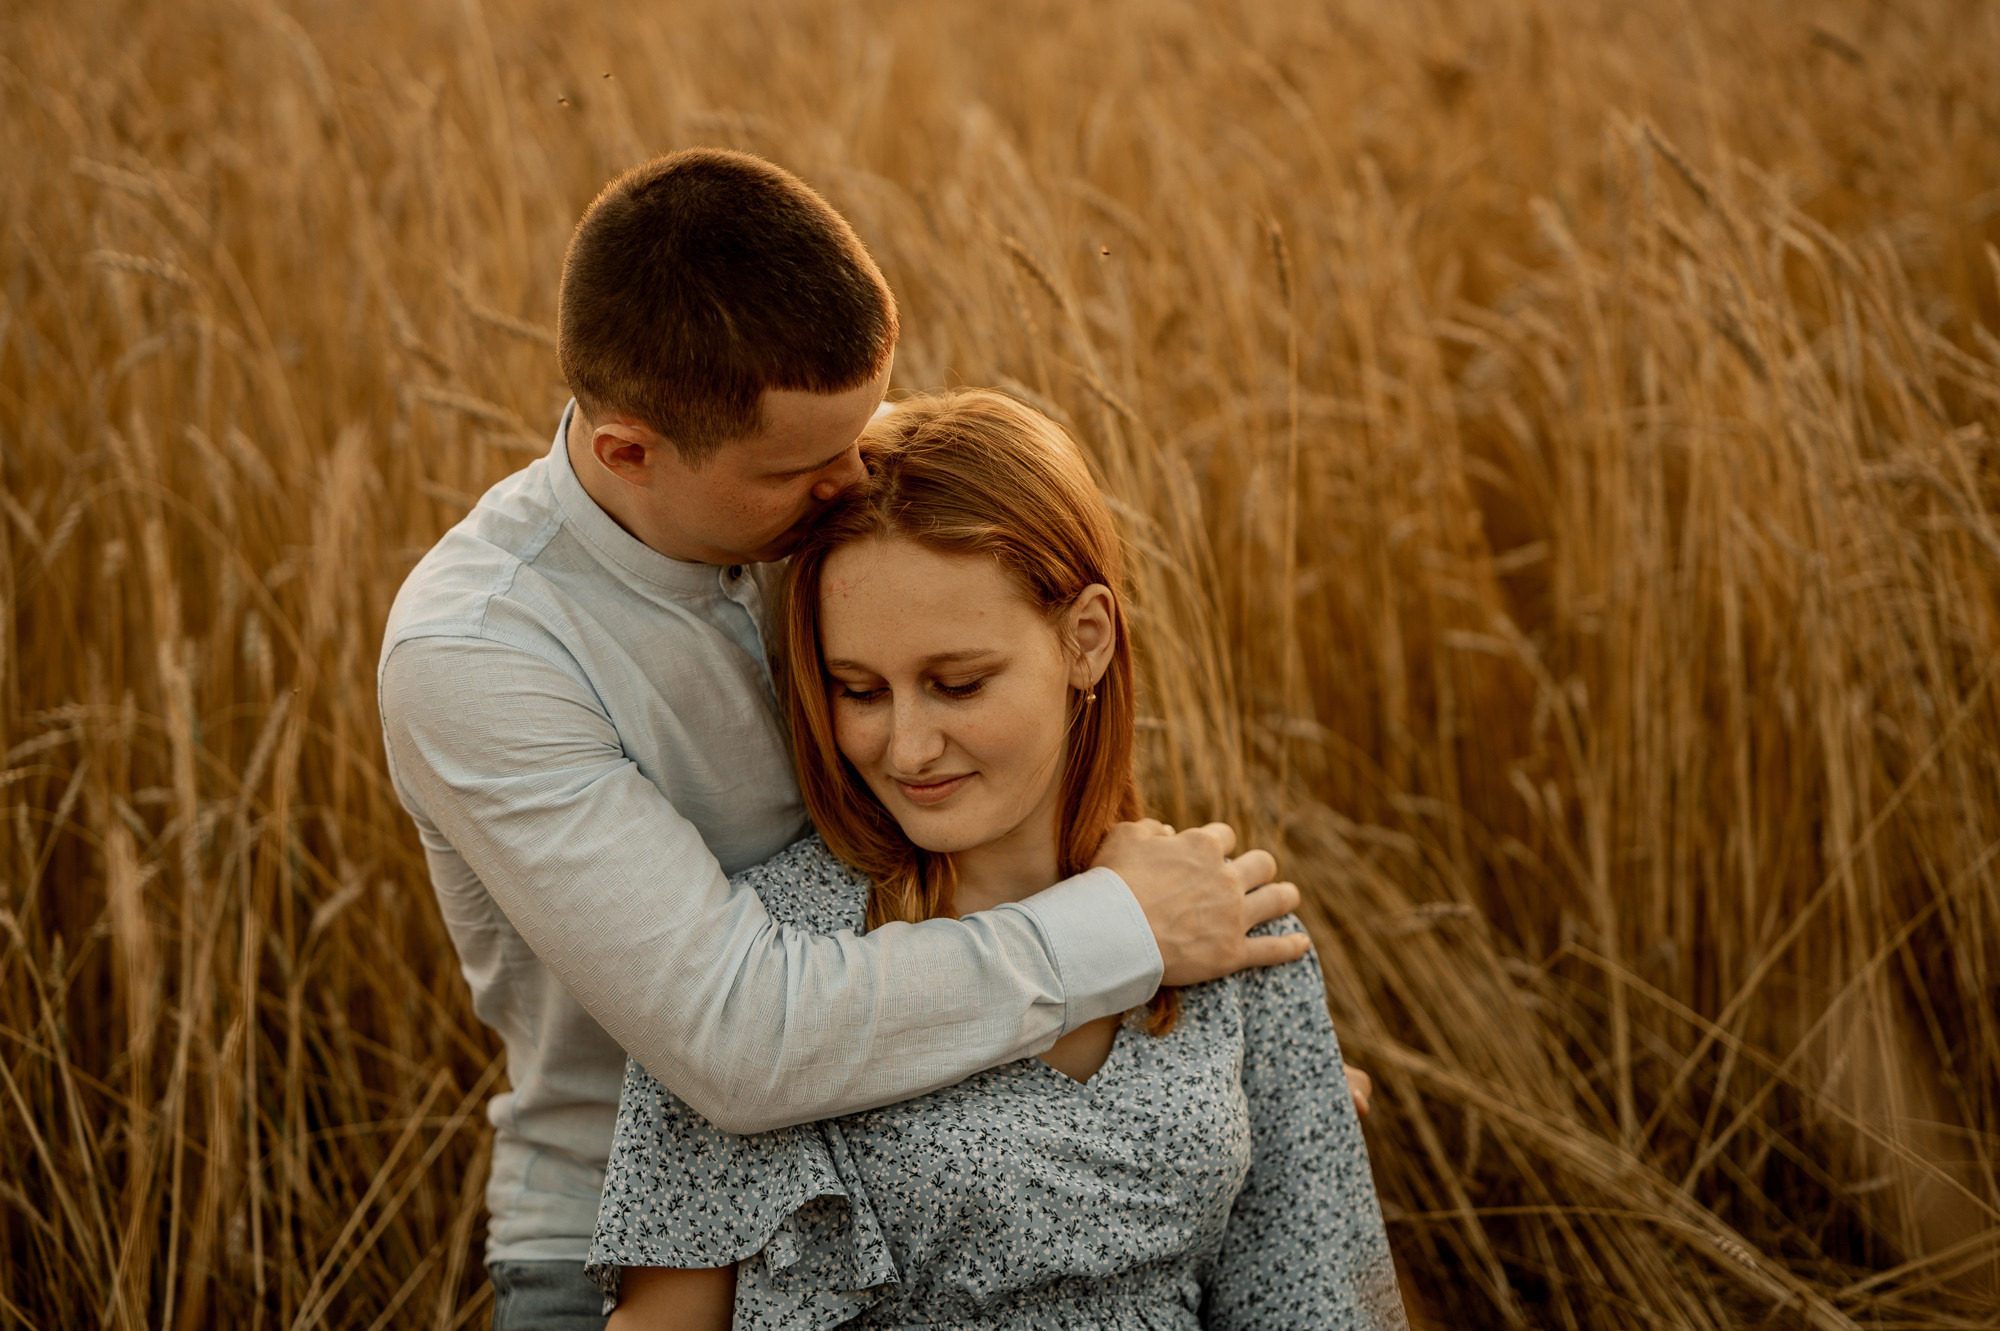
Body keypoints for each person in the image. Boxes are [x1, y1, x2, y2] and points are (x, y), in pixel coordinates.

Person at [378, 149, 1308, 1330]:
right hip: (642, 1256)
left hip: (965, 1161)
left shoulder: (824, 508)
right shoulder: (480, 653)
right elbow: (737, 1039)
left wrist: (1199, 1090)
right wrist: (1122, 931)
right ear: (629, 452)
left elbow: (1009, 753)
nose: (854, 481)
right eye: (803, 469)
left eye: (859, 432)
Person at [587, 390, 1409, 1330]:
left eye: (958, 683)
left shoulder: (1235, 930)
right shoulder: (759, 966)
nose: (906, 747)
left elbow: (1322, 1303)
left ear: (1085, 640)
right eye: (859, 690)